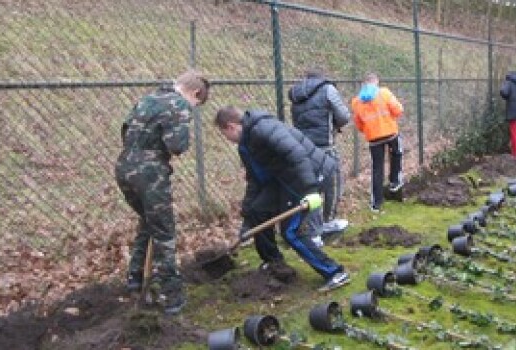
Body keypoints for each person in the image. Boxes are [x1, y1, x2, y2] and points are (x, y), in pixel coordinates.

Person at [214, 105, 351, 292]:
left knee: (291, 232)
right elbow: (255, 180)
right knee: (257, 211)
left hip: (308, 175)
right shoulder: (245, 145)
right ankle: (274, 263)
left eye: (224, 134)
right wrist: (247, 217)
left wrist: (310, 189)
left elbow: (297, 154)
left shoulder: (263, 129)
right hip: (285, 179)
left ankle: (335, 272)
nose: (227, 140)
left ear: (231, 126)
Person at [115, 69, 211, 315]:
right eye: (196, 103)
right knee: (164, 232)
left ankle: (135, 277)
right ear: (196, 92)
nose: (193, 107)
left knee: (148, 222)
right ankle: (171, 295)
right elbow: (177, 145)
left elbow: (125, 131)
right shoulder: (179, 105)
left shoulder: (148, 99)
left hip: (124, 166)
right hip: (150, 174)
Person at [288, 67, 351, 240]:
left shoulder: (296, 93)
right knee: (333, 183)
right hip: (325, 146)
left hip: (303, 147)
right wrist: (335, 124)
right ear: (322, 77)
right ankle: (327, 222)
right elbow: (344, 116)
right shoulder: (327, 89)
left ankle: (308, 225)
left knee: (310, 187)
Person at [350, 72, 405, 213]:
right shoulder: (384, 93)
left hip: (373, 137)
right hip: (390, 132)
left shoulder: (356, 101)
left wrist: (369, 129)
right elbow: (398, 110)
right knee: (397, 153)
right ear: (376, 81)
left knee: (377, 169)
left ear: (364, 83)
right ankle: (394, 181)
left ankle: (376, 203)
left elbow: (359, 124)